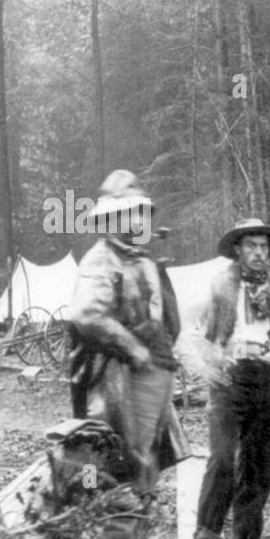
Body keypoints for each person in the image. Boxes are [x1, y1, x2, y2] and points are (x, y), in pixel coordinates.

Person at [66, 170, 189, 497]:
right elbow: (86, 313)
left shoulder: (143, 258)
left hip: (154, 372)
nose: (137, 221)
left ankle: (134, 516)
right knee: (103, 447)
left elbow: (164, 314)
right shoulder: (100, 260)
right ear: (111, 218)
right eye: (129, 214)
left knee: (146, 449)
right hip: (114, 376)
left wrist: (160, 351)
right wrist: (133, 348)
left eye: (140, 214)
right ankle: (93, 512)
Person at [194, 218, 270, 539]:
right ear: (238, 249)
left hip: (264, 375)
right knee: (223, 459)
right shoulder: (221, 284)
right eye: (251, 245)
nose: (257, 252)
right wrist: (210, 366)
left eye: (263, 247)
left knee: (258, 464)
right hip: (230, 377)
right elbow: (200, 332)